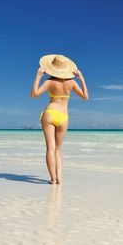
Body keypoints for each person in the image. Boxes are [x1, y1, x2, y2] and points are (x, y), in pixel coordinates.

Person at [30, 54, 89, 184]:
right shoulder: (72, 83)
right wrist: (82, 79)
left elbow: (33, 95)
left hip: (50, 113)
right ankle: (60, 179)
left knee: (50, 148)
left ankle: (53, 179)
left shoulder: (49, 82)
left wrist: (38, 76)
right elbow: (85, 97)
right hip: (64, 117)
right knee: (57, 149)